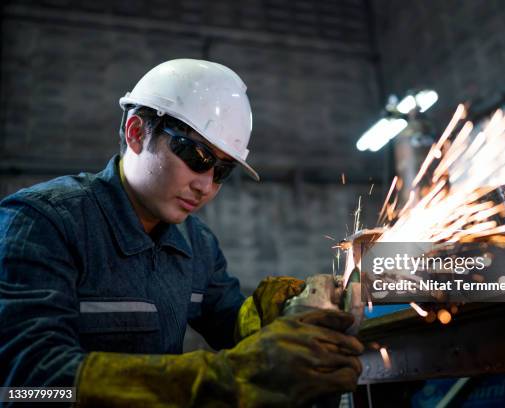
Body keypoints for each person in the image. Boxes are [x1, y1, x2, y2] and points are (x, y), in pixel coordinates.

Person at [0, 59, 363, 406]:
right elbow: (27, 387)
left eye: (222, 171)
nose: (206, 186)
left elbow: (229, 322)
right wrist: (220, 379)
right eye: (197, 157)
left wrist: (280, 311)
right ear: (137, 132)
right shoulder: (42, 222)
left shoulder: (196, 243)